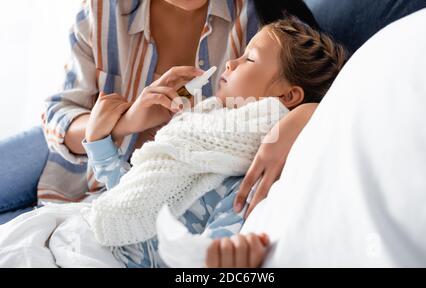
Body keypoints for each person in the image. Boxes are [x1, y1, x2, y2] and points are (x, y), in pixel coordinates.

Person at [0, 0, 321, 224]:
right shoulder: (104, 7)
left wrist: (303, 117)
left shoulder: (259, 13)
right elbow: (60, 114)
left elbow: (328, 87)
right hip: (78, 172)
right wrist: (124, 123)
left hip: (146, 197)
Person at [78, 18, 348, 267]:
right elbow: (129, 200)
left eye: (249, 59)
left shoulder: (252, 174)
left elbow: (205, 255)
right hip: (92, 236)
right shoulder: (201, 130)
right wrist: (101, 140)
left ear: (288, 96)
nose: (231, 62)